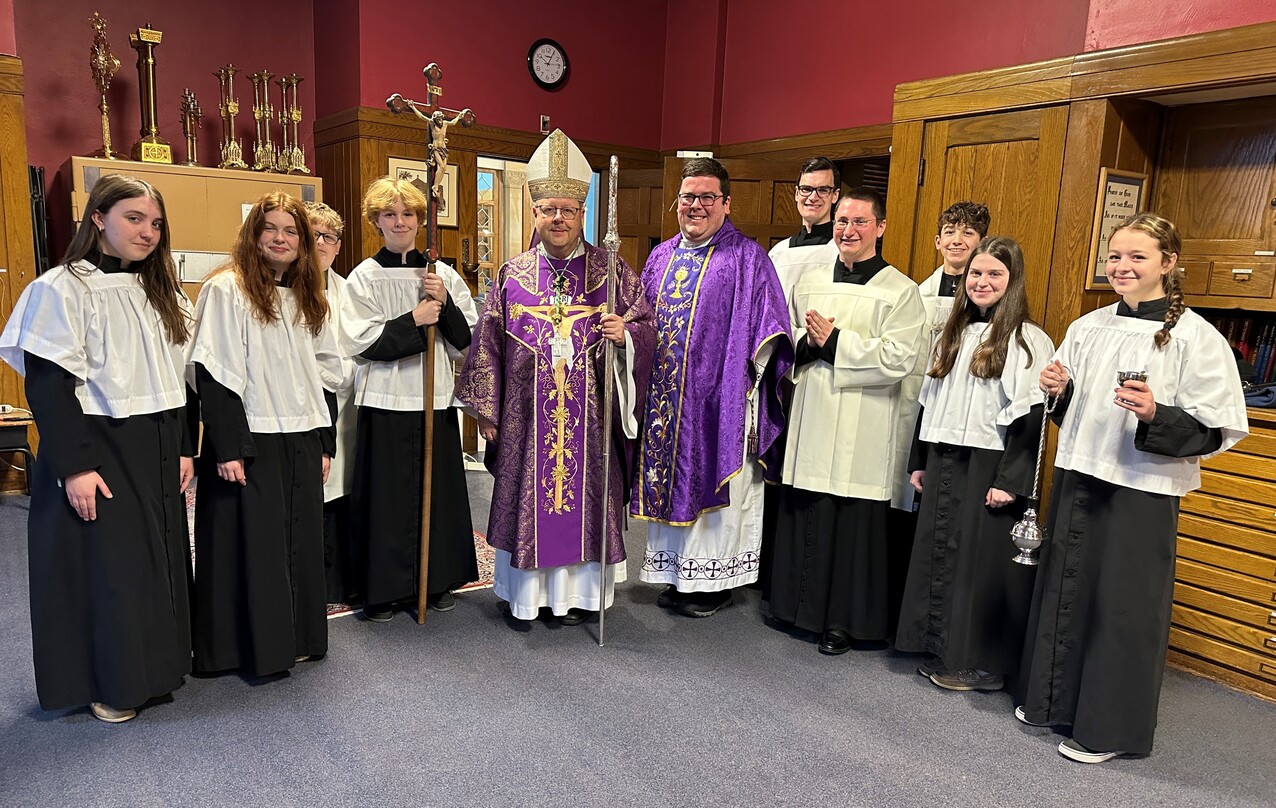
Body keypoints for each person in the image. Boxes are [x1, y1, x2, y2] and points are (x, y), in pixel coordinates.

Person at [1018, 212, 1247, 764]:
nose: (1121, 266)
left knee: (1122, 605)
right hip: (1080, 475)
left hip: (1141, 488)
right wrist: (1059, 390)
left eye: (1137, 257)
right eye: (1115, 256)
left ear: (1168, 264)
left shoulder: (1196, 336)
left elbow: (1216, 428)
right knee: (1066, 588)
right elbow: (1067, 414)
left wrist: (1154, 413)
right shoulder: (1088, 326)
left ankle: (1107, 729)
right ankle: (1051, 702)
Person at [0, 175, 196, 723]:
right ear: (97, 219)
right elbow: (46, 385)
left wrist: (183, 446)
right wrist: (75, 467)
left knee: (154, 559)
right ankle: (110, 681)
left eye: (156, 223)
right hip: (98, 442)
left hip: (156, 439)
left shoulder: (160, 290)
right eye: (134, 218)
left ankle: (154, 670)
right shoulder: (62, 288)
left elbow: (180, 376)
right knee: (110, 568)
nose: (148, 232)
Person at [457, 129, 655, 627]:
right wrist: (486, 411)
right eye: (550, 210)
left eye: (568, 210)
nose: (559, 219)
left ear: (582, 213)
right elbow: (488, 344)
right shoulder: (512, 273)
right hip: (527, 419)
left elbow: (647, 326)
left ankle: (579, 600)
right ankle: (526, 596)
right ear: (536, 214)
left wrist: (624, 334)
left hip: (588, 421)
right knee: (529, 496)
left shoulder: (610, 271)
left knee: (584, 499)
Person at [190, 191, 342, 676]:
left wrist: (324, 442)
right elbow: (213, 374)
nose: (281, 238)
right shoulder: (227, 289)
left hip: (299, 434)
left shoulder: (307, 295)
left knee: (298, 543)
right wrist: (228, 446)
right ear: (253, 235)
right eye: (270, 228)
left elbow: (325, 374)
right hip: (249, 437)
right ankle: (245, 649)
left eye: (291, 231)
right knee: (252, 545)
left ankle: (297, 638)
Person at [634, 157, 794, 618]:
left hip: (722, 400)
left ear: (727, 203)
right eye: (688, 197)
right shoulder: (661, 255)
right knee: (672, 483)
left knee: (718, 488)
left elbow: (770, 326)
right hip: (669, 399)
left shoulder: (747, 256)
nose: (696, 206)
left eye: (707, 197)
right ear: (676, 203)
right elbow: (644, 322)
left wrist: (748, 385)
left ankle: (712, 583)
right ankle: (674, 575)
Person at [767, 189, 925, 653]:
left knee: (852, 520)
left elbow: (899, 358)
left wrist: (835, 342)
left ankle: (842, 622)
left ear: (880, 227)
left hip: (864, 421)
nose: (848, 231)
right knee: (807, 505)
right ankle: (795, 608)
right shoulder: (811, 280)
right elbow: (786, 333)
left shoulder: (900, 290)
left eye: (859, 221)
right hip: (814, 410)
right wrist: (809, 343)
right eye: (841, 222)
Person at [895, 236, 1054, 692]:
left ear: (1013, 281)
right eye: (976, 274)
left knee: (979, 563)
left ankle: (980, 664)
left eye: (994, 275)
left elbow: (1030, 417)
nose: (982, 282)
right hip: (944, 455)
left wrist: (1011, 480)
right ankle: (941, 646)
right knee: (940, 550)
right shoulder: (952, 331)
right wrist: (919, 461)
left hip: (990, 463)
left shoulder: (1027, 340)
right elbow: (929, 401)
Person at [339, 177, 478, 621]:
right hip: (385, 399)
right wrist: (416, 319)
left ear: (422, 220)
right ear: (376, 221)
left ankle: (435, 581)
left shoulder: (444, 276)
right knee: (387, 499)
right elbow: (360, 341)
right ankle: (383, 590)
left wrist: (445, 305)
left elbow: (467, 342)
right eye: (389, 215)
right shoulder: (364, 276)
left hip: (432, 399)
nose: (399, 222)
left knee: (436, 497)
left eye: (408, 214)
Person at [890, 202, 991, 639]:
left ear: (981, 243)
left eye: (968, 233)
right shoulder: (915, 294)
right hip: (910, 409)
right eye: (949, 231)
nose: (957, 240)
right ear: (937, 241)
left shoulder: (990, 304)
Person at [759, 157, 841, 597]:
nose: (812, 197)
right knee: (772, 460)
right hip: (776, 366)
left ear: (835, 196)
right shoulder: (777, 252)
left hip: (813, 366)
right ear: (796, 195)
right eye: (805, 189)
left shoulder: (840, 250)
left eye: (822, 190)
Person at [306, 202, 357, 606]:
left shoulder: (348, 291)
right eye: (312, 233)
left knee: (346, 491)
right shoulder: (282, 288)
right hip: (306, 408)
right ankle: (314, 581)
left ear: (338, 246)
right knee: (313, 494)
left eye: (329, 236)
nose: (320, 243)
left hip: (350, 405)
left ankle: (343, 579)